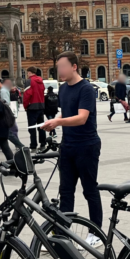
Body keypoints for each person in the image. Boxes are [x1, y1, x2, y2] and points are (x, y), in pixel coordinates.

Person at [42, 52, 102, 229]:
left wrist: (58, 121)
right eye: (58, 67)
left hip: (86, 145)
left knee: (89, 190)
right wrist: (54, 121)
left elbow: (82, 117)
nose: (59, 70)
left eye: (62, 66)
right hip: (67, 146)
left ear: (74, 67)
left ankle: (96, 232)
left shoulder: (86, 89)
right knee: (66, 191)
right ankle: (62, 233)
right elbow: (66, 113)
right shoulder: (63, 88)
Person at [23, 66, 47, 150]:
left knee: (32, 127)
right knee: (41, 126)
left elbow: (27, 94)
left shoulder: (29, 81)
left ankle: (33, 145)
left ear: (29, 72)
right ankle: (43, 144)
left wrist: (25, 106)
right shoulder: (41, 81)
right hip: (41, 105)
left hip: (32, 106)